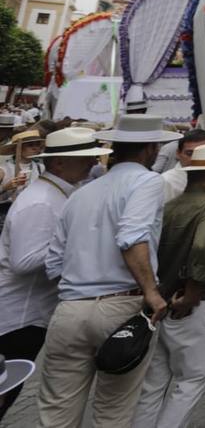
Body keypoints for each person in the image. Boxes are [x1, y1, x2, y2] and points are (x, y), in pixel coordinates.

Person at [37, 113, 181, 427]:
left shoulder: (80, 194)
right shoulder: (147, 181)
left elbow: (53, 264)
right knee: (112, 414)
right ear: (149, 149)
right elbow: (131, 238)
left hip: (70, 310)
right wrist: (152, 293)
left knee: (56, 416)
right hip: (121, 307)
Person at [0, 127, 106, 420]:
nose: (92, 162)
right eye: (85, 157)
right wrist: (77, 245)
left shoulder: (55, 194)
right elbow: (23, 262)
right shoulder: (41, 201)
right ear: (58, 163)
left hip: (27, 314)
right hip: (18, 318)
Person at [133, 144, 205, 428]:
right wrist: (193, 292)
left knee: (153, 385)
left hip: (162, 304)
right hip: (192, 306)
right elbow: (202, 246)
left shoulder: (171, 206)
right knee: (192, 379)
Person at [0, 128, 44, 233]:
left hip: (30, 214)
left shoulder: (40, 167)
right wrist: (6, 187)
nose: (35, 148)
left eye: (37, 144)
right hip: (6, 214)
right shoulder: (4, 168)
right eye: (30, 145)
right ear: (18, 148)